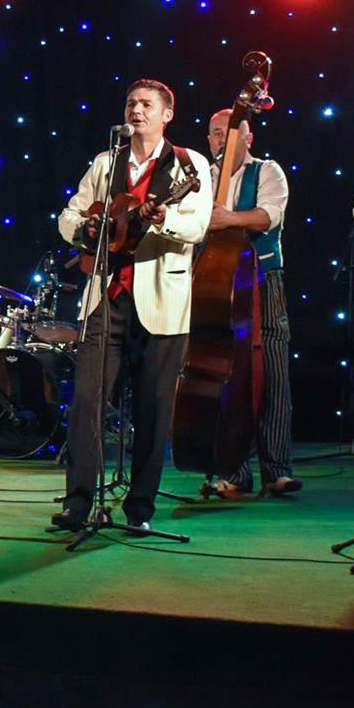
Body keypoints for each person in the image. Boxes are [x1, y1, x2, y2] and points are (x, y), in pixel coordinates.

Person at [55, 79, 213, 531]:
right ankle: (78, 504)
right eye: (131, 103)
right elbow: (69, 214)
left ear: (167, 114)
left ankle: (139, 509)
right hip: (106, 299)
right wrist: (85, 230)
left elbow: (198, 225)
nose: (136, 110)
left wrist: (164, 219)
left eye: (146, 104)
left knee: (153, 410)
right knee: (86, 402)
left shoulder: (189, 163)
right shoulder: (106, 162)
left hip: (162, 301)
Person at [201, 108, 300, 498]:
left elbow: (267, 217)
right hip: (215, 284)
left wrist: (226, 219)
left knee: (271, 370)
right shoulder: (201, 177)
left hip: (262, 278)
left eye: (228, 132)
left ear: (248, 138)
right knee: (225, 375)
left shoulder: (267, 171)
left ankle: (277, 469)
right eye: (214, 133)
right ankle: (233, 471)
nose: (220, 139)